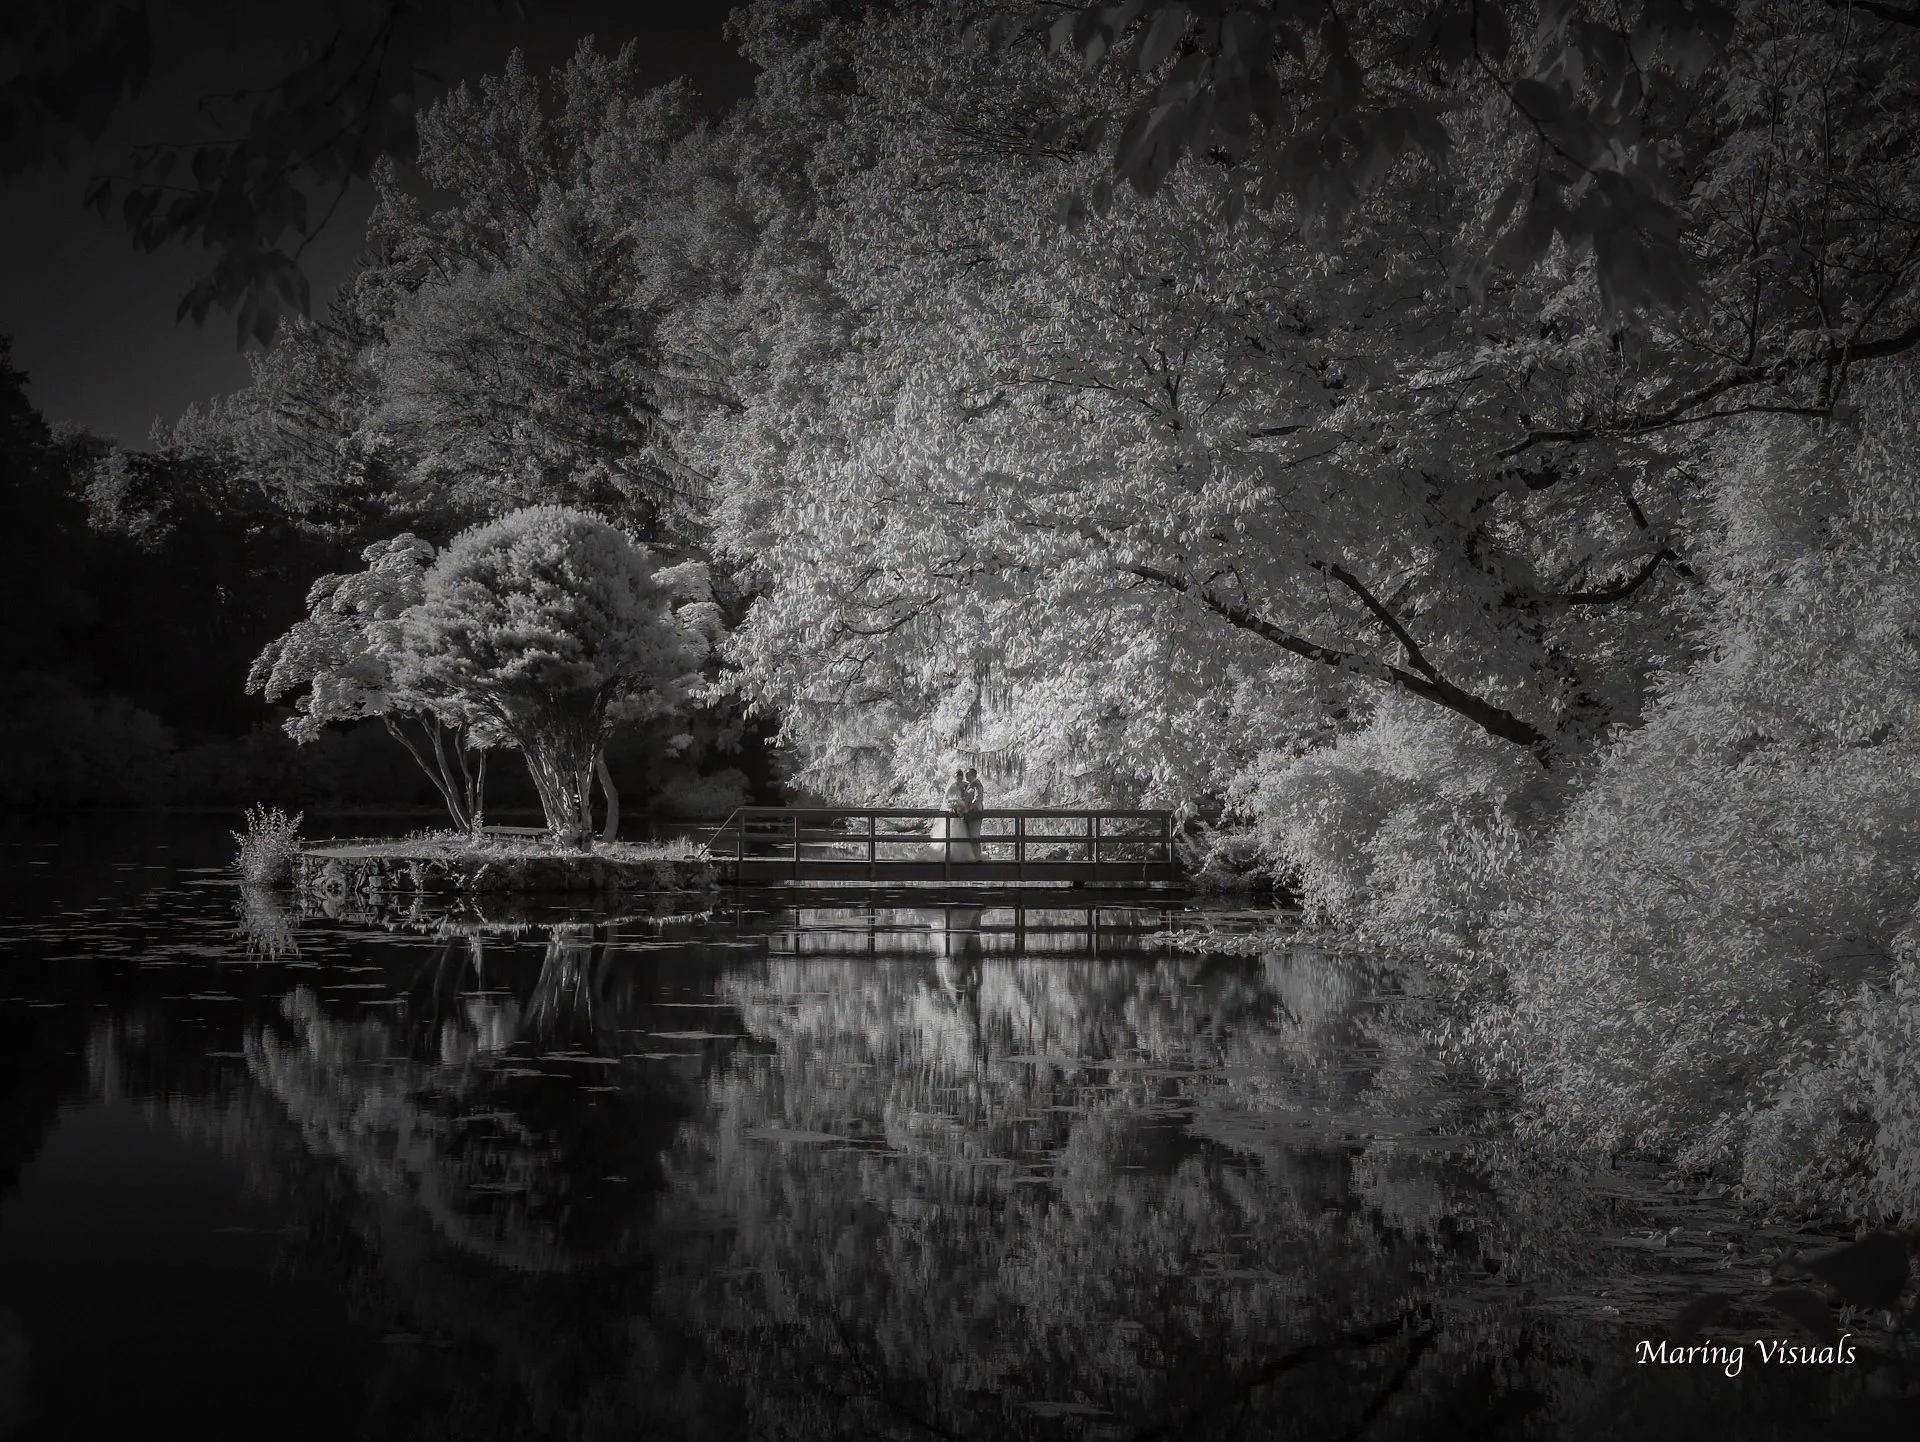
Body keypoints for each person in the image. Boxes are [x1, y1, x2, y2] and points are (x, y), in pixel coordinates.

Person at [931, 766, 977, 863]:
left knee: (961, 834)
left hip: (960, 813)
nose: (959, 777)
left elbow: (968, 794)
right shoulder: (952, 786)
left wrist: (962, 804)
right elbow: (947, 799)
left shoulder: (965, 785)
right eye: (957, 776)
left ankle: (961, 855)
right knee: (950, 832)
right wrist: (954, 803)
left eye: (961, 776)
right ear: (955, 777)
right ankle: (949, 854)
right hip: (953, 812)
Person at [962, 767, 986, 859]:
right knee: (969, 835)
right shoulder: (969, 785)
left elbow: (978, 798)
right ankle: (971, 856)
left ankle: (977, 856)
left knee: (974, 834)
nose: (966, 776)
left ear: (973, 775)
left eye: (968, 774)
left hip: (975, 813)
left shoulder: (977, 784)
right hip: (970, 814)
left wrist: (968, 808)